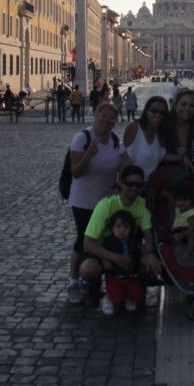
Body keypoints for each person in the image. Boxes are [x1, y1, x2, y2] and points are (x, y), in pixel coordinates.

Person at [81, 165, 161, 313]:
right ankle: (95, 287)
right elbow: (88, 242)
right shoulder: (105, 205)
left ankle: (136, 290)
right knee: (88, 269)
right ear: (121, 184)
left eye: (138, 185)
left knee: (150, 262)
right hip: (105, 251)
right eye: (130, 184)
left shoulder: (142, 205)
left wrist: (150, 254)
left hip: (129, 249)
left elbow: (148, 235)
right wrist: (116, 258)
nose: (134, 188)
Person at [65, 102, 124, 304]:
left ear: (115, 121)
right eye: (103, 115)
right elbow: (76, 172)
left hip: (106, 202)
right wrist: (88, 156)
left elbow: (120, 170)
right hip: (83, 200)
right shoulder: (83, 138)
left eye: (111, 117)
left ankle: (93, 283)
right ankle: (73, 280)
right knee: (83, 240)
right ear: (95, 116)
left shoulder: (116, 141)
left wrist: (118, 186)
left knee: (101, 241)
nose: (106, 120)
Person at [98, 209, 144, 314]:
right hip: (115, 275)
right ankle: (109, 297)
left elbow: (137, 255)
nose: (122, 230)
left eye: (126, 227)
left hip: (131, 275)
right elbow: (102, 253)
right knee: (116, 296)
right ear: (112, 228)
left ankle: (128, 297)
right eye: (118, 227)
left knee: (137, 295)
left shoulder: (133, 241)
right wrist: (106, 261)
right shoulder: (108, 241)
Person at [119, 96, 169, 182]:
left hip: (150, 188)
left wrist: (182, 157)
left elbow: (162, 156)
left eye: (162, 113)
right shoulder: (135, 127)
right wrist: (120, 185)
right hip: (132, 187)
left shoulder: (159, 133)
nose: (158, 115)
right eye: (154, 111)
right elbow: (125, 159)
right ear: (147, 111)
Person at [161, 88, 194, 170]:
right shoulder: (163, 125)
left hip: (188, 176)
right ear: (175, 105)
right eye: (183, 104)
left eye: (192, 105)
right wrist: (180, 158)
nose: (187, 109)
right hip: (165, 176)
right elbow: (155, 154)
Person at [170, 185, 194, 262]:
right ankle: (178, 243)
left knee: (193, 236)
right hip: (178, 231)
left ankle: (188, 252)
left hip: (189, 232)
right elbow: (172, 202)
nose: (182, 202)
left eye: (185, 200)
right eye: (179, 200)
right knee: (171, 237)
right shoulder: (177, 209)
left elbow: (192, 227)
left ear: (191, 201)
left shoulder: (191, 213)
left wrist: (183, 235)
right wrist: (167, 195)